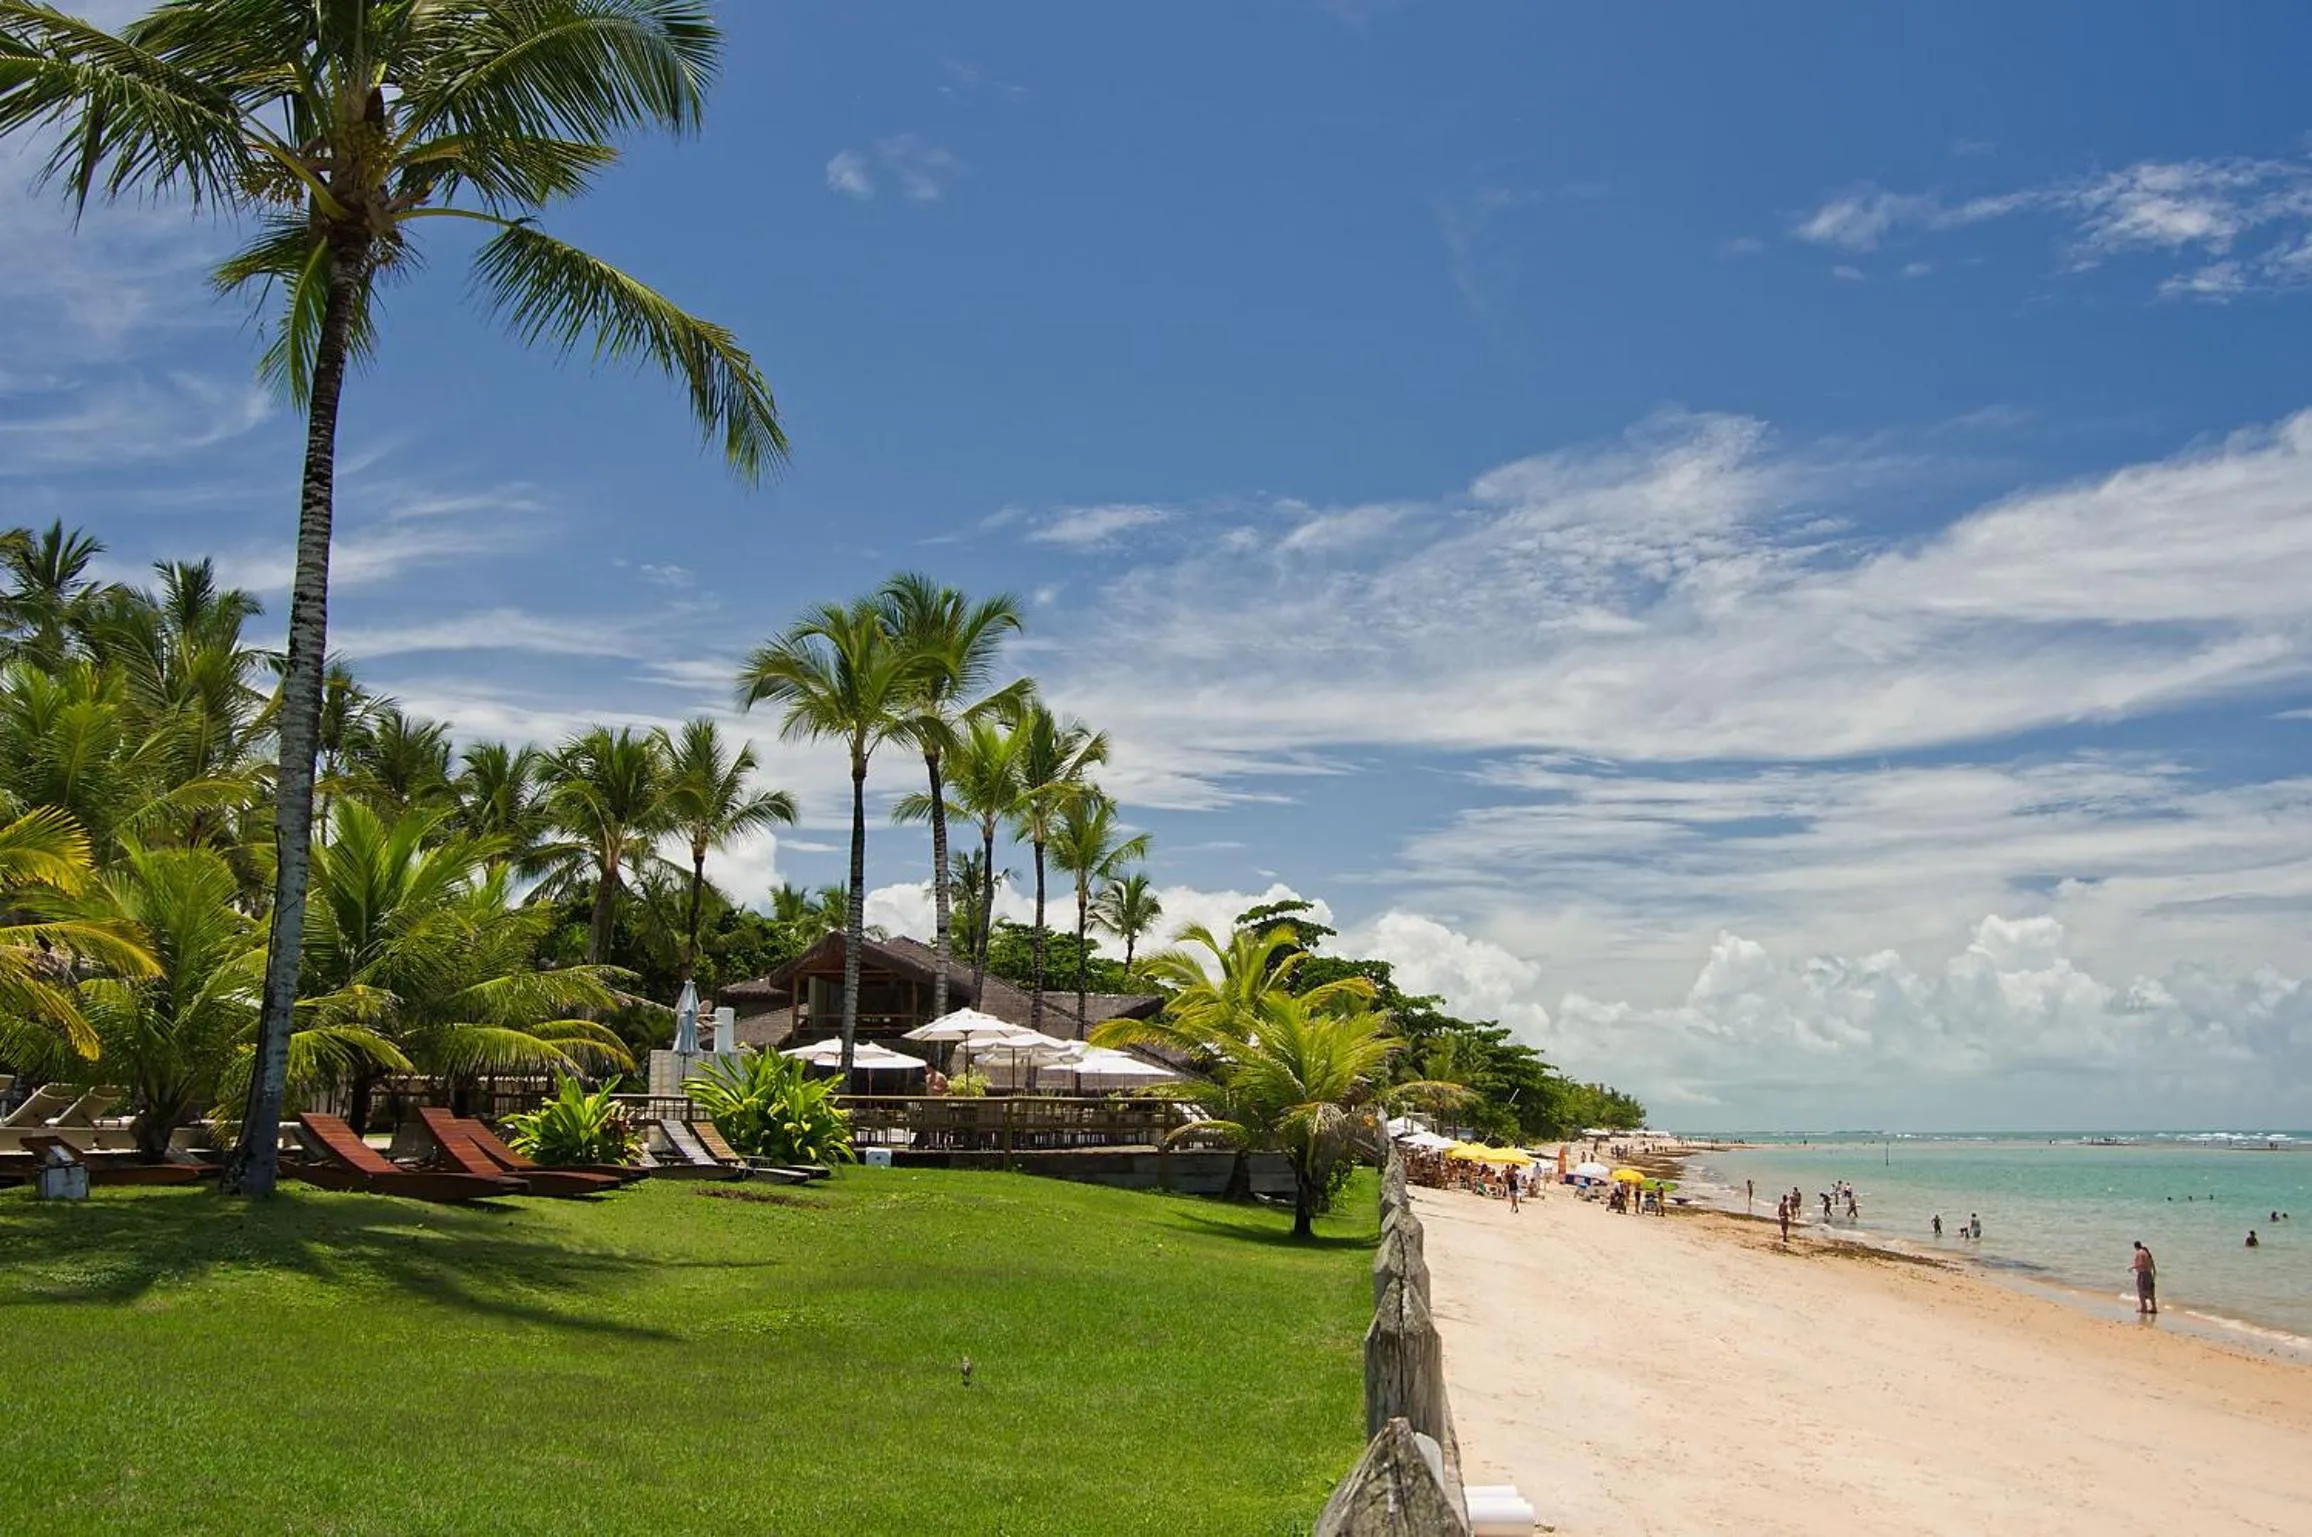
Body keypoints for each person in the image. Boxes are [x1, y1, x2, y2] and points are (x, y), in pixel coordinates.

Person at [2132, 1241, 2157, 1316]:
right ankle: (2154, 1308)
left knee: (2141, 1291)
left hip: (2143, 1274)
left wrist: (2132, 1267)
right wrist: (2153, 1277)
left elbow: (2141, 1264)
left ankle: (2144, 1307)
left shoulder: (2139, 1253)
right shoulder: (2147, 1254)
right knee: (2150, 1292)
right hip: (2149, 1274)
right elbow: (2154, 1268)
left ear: (2135, 1247)